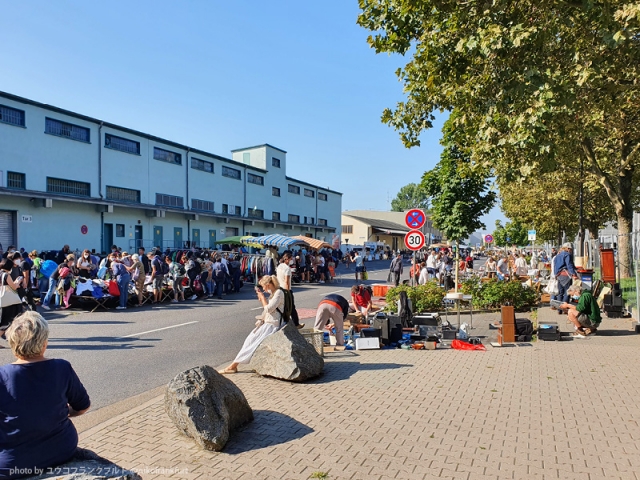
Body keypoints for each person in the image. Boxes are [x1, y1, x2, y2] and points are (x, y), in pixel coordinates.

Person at [0, 312, 90, 478]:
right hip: (62, 448)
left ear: (13, 343)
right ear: (44, 344)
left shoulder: (3, 375)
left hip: (13, 463)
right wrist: (58, 413)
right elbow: (83, 406)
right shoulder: (62, 368)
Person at [218, 275, 283, 374]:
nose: (264, 289)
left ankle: (233, 366)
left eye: (264, 287)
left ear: (269, 285)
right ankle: (234, 365)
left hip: (273, 325)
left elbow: (269, 309)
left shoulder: (278, 293)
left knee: (253, 343)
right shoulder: (274, 293)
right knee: (250, 340)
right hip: (269, 323)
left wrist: (262, 299)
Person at [276, 252, 303, 329]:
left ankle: (283, 322)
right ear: (287, 259)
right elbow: (287, 282)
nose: (292, 260)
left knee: (282, 307)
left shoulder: (279, 266)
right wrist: (288, 292)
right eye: (291, 259)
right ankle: (296, 323)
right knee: (291, 307)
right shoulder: (287, 269)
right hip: (286, 290)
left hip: (280, 289)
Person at [0, 259, 24, 336]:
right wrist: (18, 281)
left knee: (4, 321)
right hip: (10, 302)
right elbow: (14, 287)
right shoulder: (6, 275)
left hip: (2, 300)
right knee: (7, 322)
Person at [554, 242, 579, 310]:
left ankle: (559, 309)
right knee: (567, 292)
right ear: (568, 248)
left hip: (559, 275)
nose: (571, 251)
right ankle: (565, 308)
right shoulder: (567, 255)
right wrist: (574, 274)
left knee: (560, 293)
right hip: (566, 276)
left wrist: (556, 275)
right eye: (571, 249)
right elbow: (569, 265)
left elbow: (555, 266)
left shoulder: (557, 256)